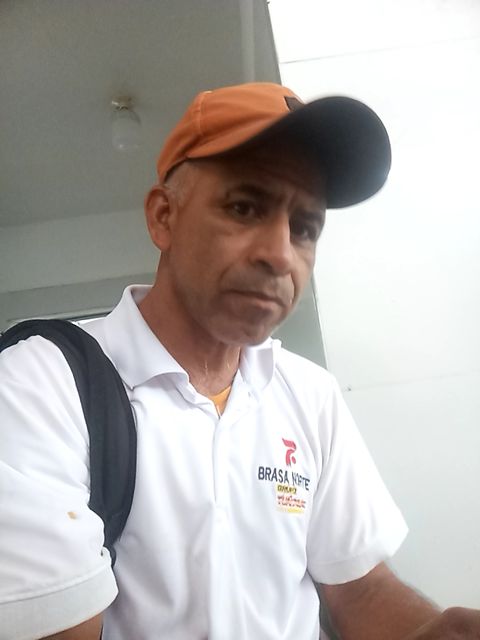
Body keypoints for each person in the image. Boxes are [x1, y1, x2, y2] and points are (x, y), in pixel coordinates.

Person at [0, 82, 478, 640]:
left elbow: (360, 587)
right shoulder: (40, 384)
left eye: (304, 228)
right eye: (244, 207)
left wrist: (435, 631)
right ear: (163, 217)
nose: (280, 254)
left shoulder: (310, 395)